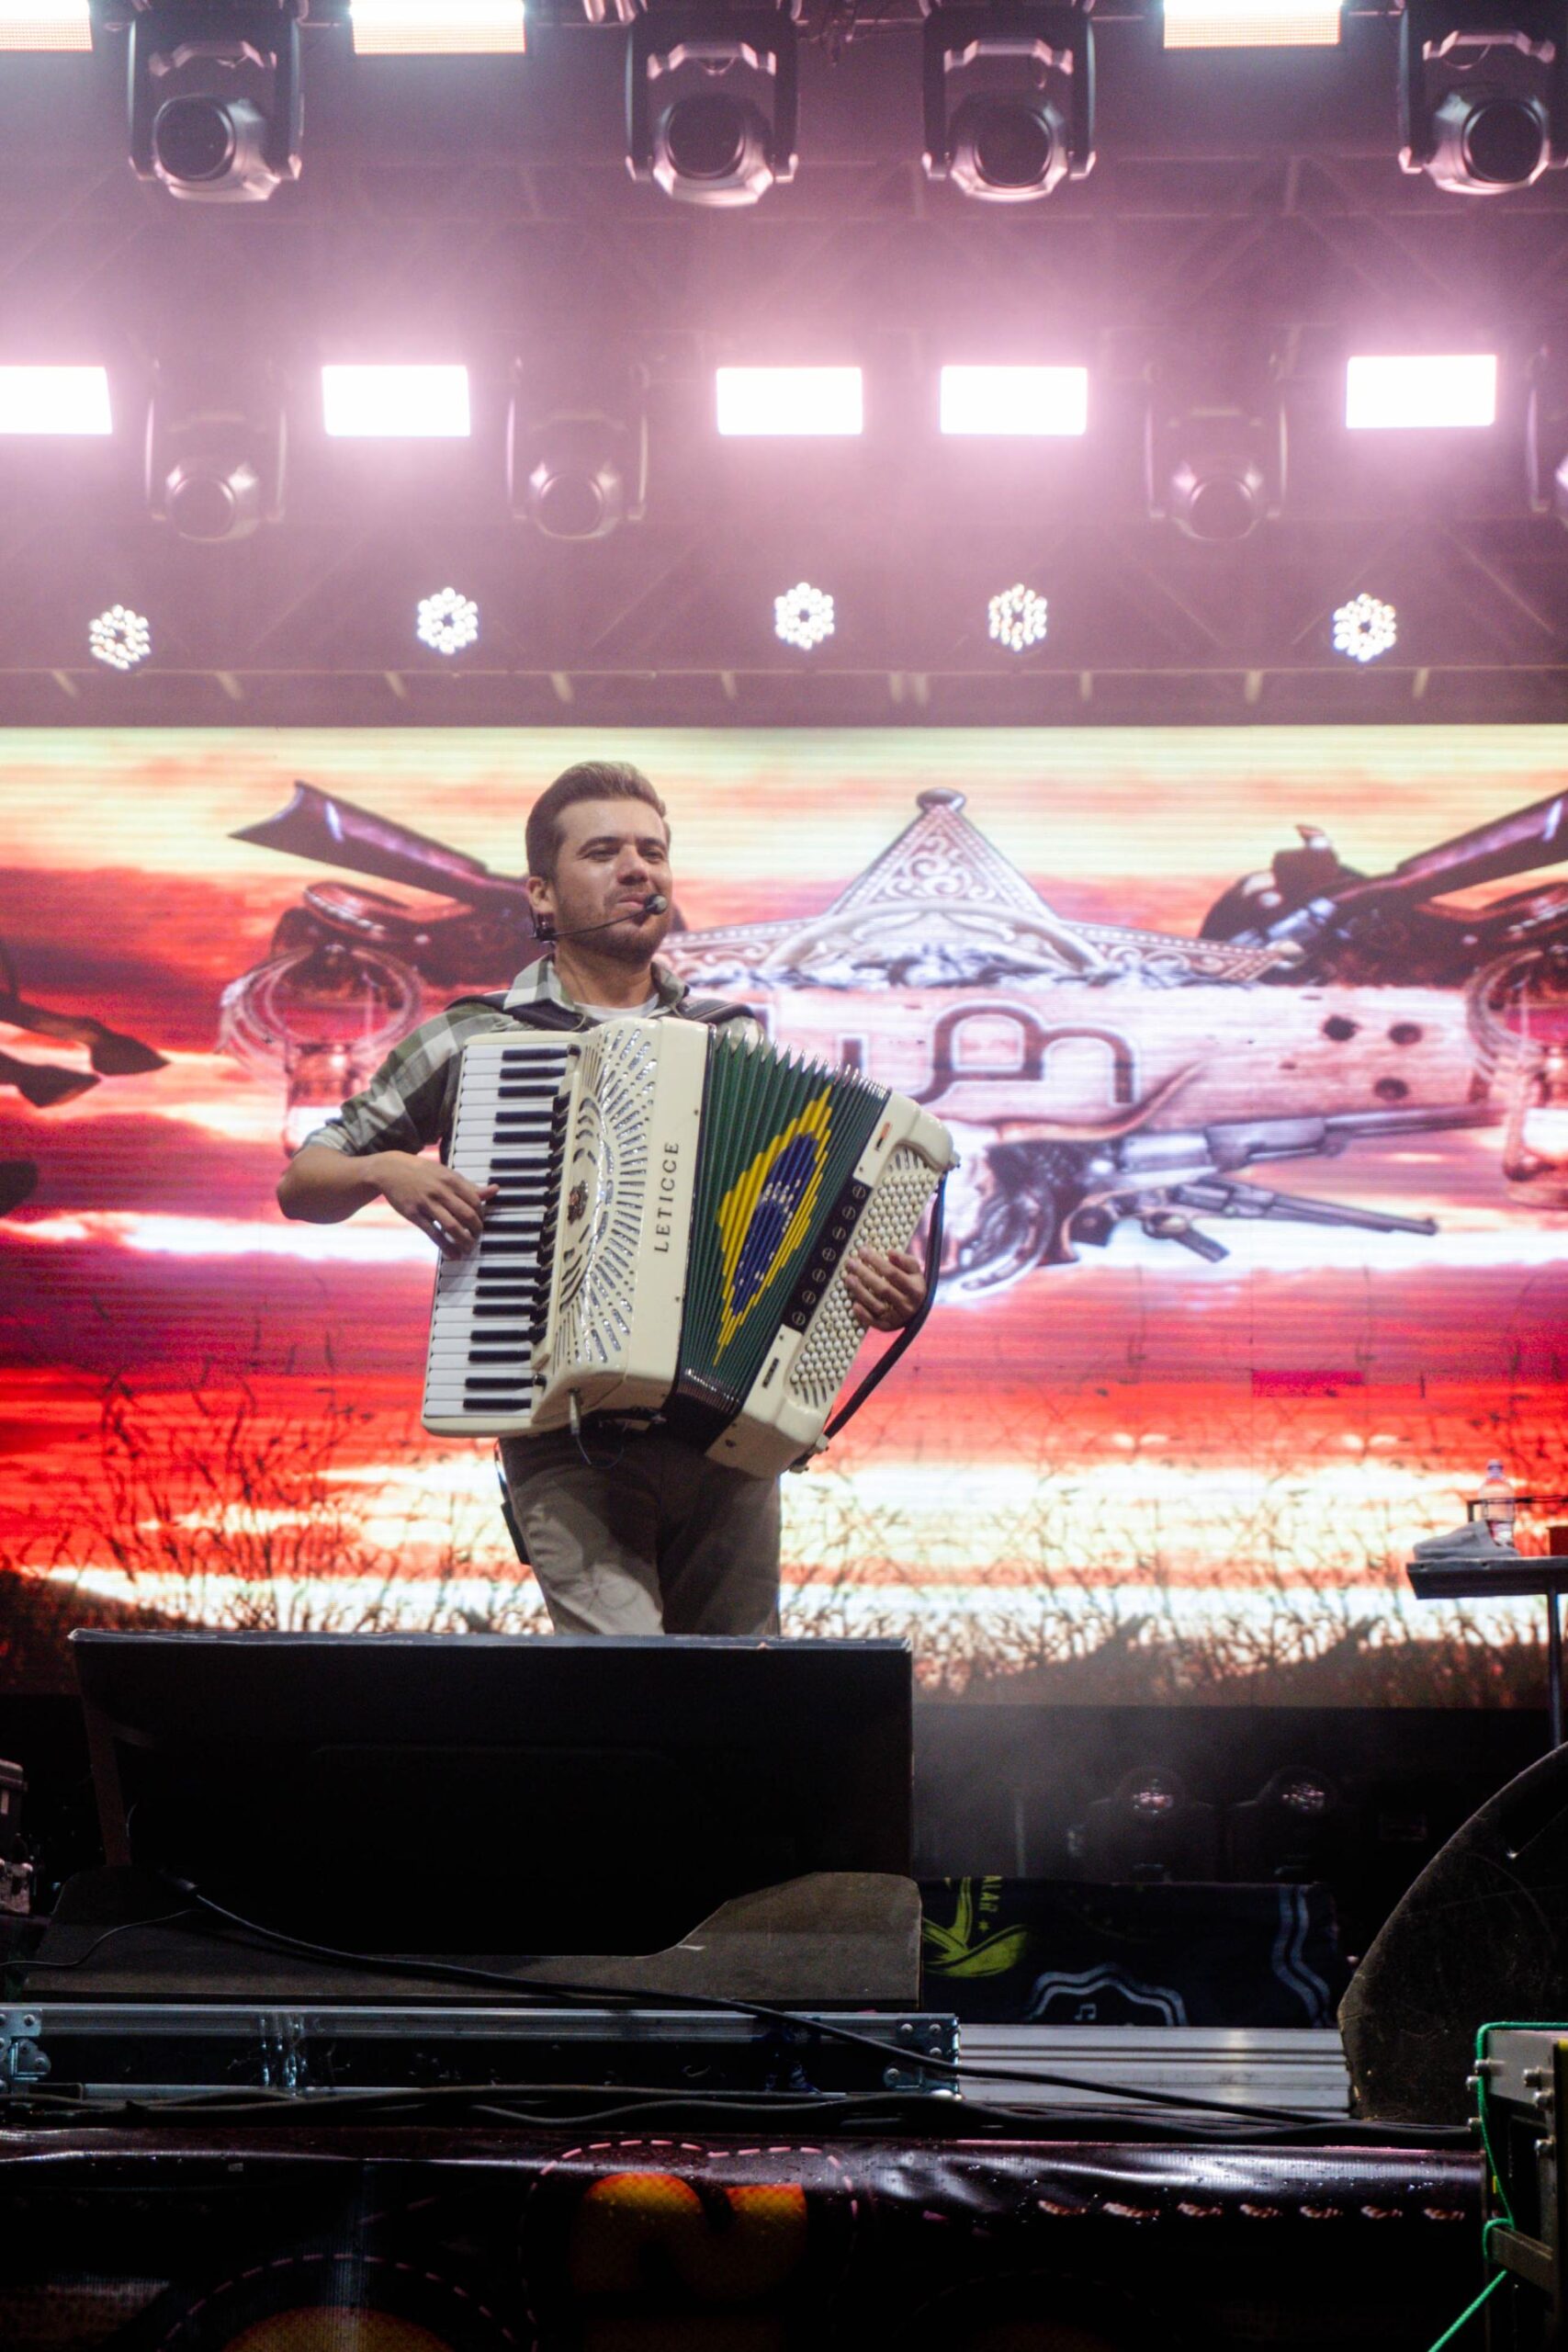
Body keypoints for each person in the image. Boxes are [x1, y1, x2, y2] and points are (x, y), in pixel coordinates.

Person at [276, 759, 927, 1636]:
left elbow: (786, 1236)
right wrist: (385, 1169)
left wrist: (873, 1288)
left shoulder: (729, 1038)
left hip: (725, 1441)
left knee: (741, 1701)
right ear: (541, 896)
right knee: (626, 1685)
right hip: (560, 1434)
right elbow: (303, 1181)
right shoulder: (478, 1036)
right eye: (603, 851)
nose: (636, 869)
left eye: (652, 852)